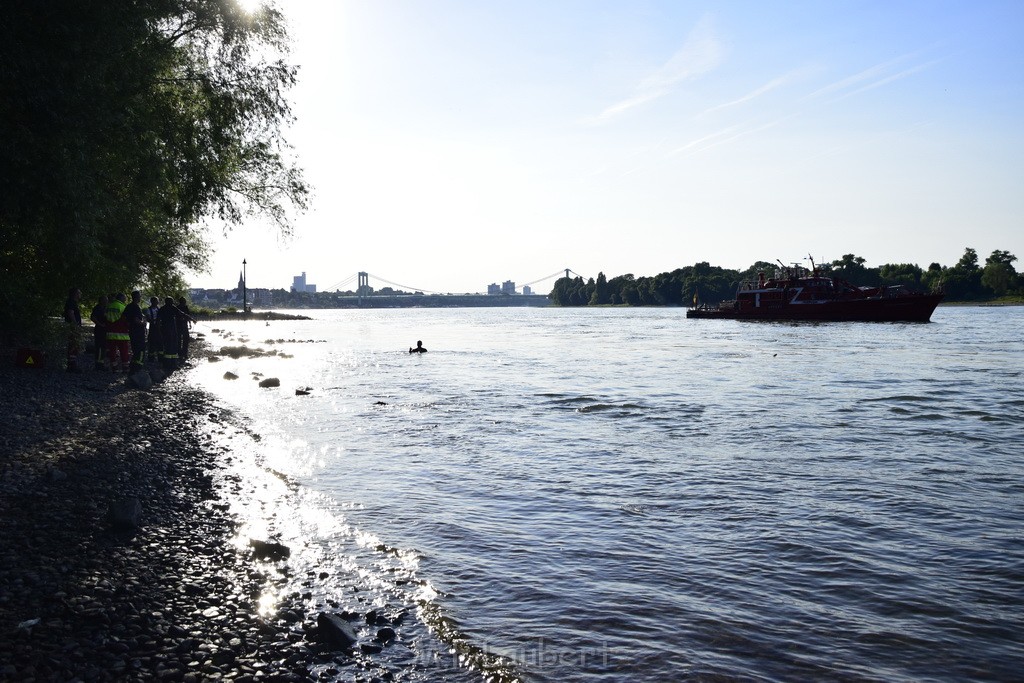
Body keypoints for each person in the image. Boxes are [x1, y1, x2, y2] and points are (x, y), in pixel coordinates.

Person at [105, 292, 131, 373]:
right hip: (122, 334)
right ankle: (125, 368)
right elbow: (126, 320)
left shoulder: (109, 306)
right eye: (125, 298)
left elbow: (106, 318)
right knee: (124, 351)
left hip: (110, 333)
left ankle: (114, 368)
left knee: (112, 352)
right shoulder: (123, 307)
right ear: (122, 298)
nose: (125, 299)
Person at [124, 290, 147, 373]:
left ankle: (133, 366)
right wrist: (143, 323)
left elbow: (124, 318)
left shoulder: (128, 306)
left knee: (135, 349)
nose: (140, 297)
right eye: (140, 296)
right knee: (141, 350)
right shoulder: (136, 307)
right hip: (138, 332)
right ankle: (138, 367)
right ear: (137, 297)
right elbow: (136, 319)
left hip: (132, 331)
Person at [157, 297, 180, 371]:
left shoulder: (172, 308)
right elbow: (158, 320)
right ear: (168, 302)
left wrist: (190, 319)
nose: (172, 303)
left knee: (173, 346)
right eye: (171, 301)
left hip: (172, 330)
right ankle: (168, 364)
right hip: (166, 330)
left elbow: (181, 313)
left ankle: (173, 363)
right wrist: (159, 331)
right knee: (168, 346)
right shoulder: (163, 309)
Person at [63, 287, 83, 372]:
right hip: (72, 326)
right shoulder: (71, 302)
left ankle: (72, 364)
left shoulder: (72, 302)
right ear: (75, 294)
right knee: (73, 344)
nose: (80, 294)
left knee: (74, 344)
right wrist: (75, 324)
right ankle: (71, 365)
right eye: (79, 293)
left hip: (72, 326)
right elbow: (70, 313)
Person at [89, 295, 108, 370]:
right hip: (100, 330)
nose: (107, 301)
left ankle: (101, 363)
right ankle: (99, 364)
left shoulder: (104, 308)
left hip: (104, 330)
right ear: (101, 300)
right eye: (105, 300)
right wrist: (100, 324)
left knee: (103, 346)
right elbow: (93, 317)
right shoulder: (98, 308)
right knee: (100, 347)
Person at [145, 296, 162, 362]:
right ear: (153, 302)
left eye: (158, 301)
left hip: (159, 328)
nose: (157, 302)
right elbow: (148, 319)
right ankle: (151, 358)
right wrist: (156, 320)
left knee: (160, 343)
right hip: (153, 328)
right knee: (152, 343)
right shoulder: (148, 309)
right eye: (156, 301)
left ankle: (160, 358)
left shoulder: (159, 309)